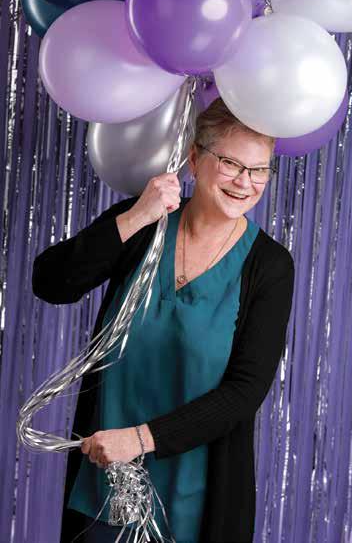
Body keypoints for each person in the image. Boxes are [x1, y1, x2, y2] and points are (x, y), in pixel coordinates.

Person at [32, 97, 295, 543]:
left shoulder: (269, 266)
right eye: (231, 163)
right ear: (194, 158)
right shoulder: (147, 222)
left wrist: (139, 440)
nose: (245, 182)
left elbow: (244, 393)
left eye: (259, 170)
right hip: (104, 484)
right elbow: (52, 283)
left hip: (196, 497)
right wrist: (136, 216)